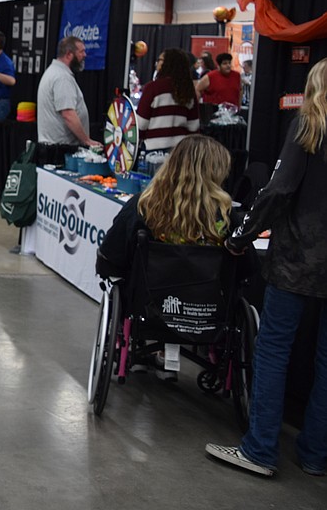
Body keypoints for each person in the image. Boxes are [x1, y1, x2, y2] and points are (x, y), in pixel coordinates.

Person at [206, 57, 327, 479]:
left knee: (274, 349)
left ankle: (259, 449)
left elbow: (278, 191)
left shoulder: (308, 125)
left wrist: (242, 235)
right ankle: (315, 453)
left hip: (298, 259)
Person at [97, 135, 236, 380]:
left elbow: (111, 254)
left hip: (152, 307)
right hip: (207, 311)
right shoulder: (226, 217)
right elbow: (244, 271)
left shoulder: (144, 206)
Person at [36, 36, 101, 165]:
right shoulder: (62, 77)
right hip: (59, 152)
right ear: (69, 54)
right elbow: (68, 115)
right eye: (81, 51)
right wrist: (87, 141)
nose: (85, 55)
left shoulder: (55, 72)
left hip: (54, 149)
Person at [136, 47, 199, 153]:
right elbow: (194, 126)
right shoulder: (188, 89)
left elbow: (141, 124)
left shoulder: (153, 87)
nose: (157, 63)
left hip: (154, 151)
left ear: (167, 63)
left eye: (159, 60)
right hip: (180, 151)